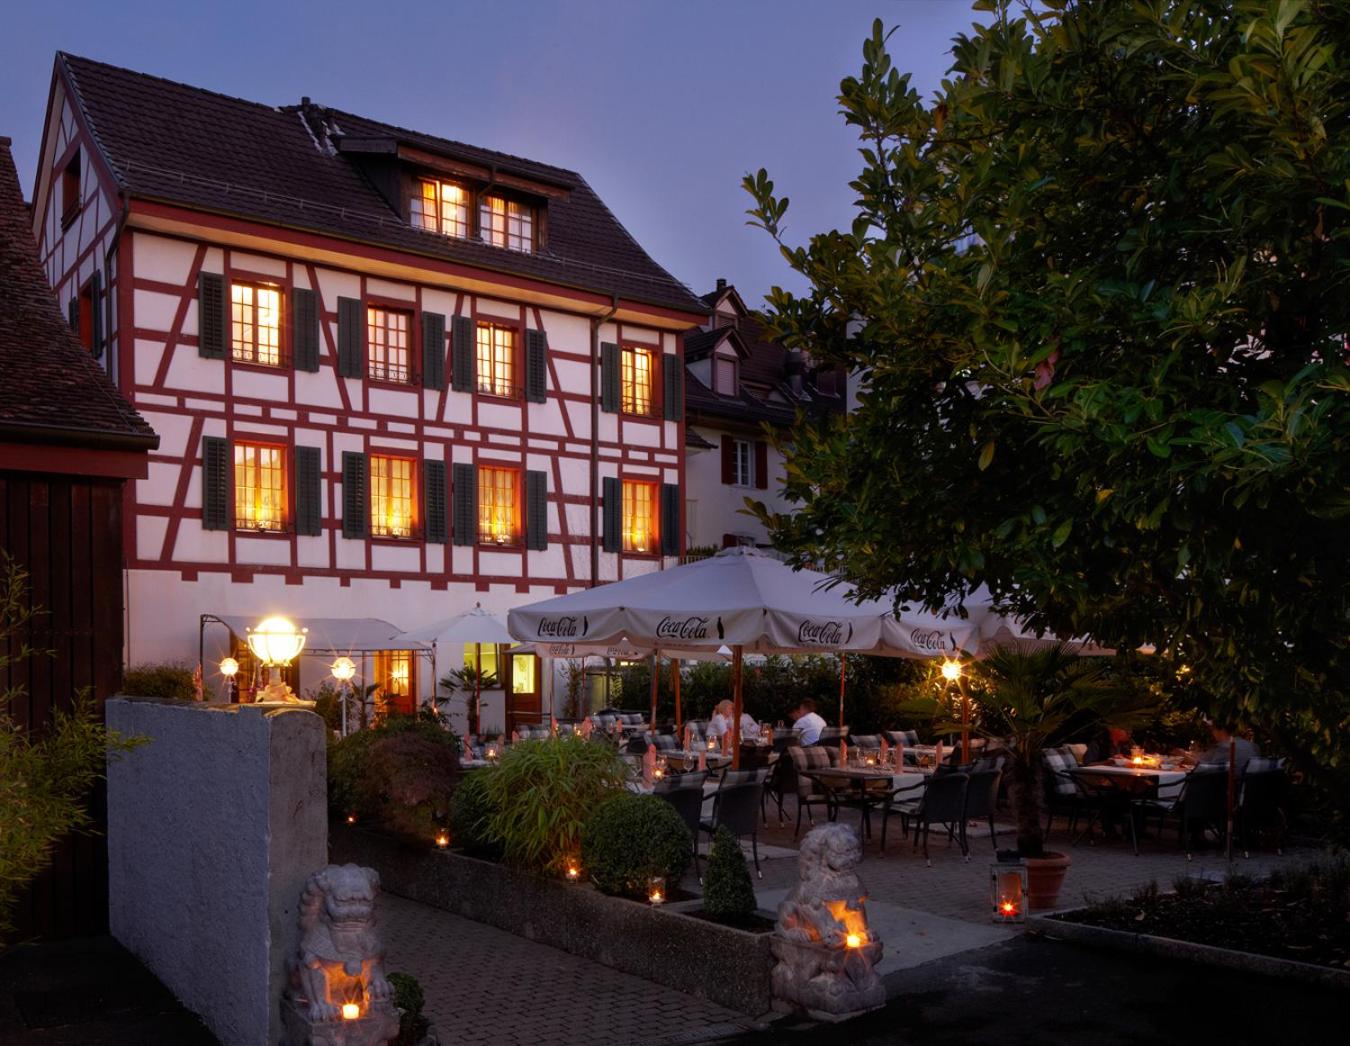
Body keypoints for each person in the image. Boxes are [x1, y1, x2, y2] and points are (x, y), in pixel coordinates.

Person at [1193, 724, 1260, 772]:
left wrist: (1191, 760)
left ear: (1221, 730)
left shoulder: (1224, 748)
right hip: (1248, 785)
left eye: (1213, 729)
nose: (1212, 733)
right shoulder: (1254, 746)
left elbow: (1210, 769)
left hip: (1230, 785)